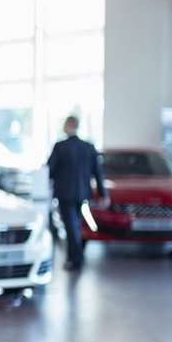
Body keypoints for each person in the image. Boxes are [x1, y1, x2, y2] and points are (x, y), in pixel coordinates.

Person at [47, 115, 107, 271]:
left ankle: (76, 258)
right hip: (82, 193)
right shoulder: (88, 147)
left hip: (64, 193)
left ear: (68, 126)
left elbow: (49, 170)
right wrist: (103, 194)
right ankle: (74, 257)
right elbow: (98, 173)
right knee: (76, 225)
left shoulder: (60, 147)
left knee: (71, 226)